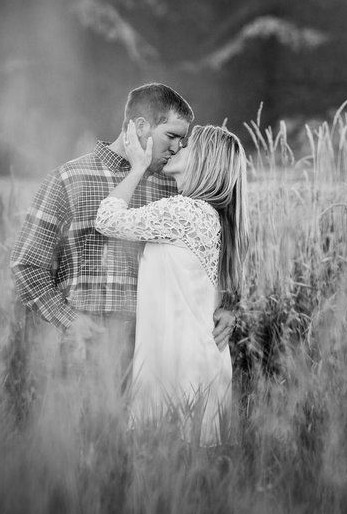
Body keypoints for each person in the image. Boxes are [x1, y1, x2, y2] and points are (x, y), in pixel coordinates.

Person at [10, 83, 236, 399]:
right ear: (141, 126)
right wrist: (69, 320)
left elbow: (209, 254)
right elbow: (27, 265)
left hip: (153, 355)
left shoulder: (173, 190)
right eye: (171, 136)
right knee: (82, 446)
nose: (176, 148)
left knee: (143, 446)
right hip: (84, 350)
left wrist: (226, 305)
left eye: (183, 141)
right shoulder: (69, 179)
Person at [95, 122, 246, 445]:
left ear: (204, 161)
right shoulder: (210, 215)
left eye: (188, 146)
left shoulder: (186, 212)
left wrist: (136, 168)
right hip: (199, 366)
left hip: (178, 372)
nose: (178, 148)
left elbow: (107, 220)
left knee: (165, 478)